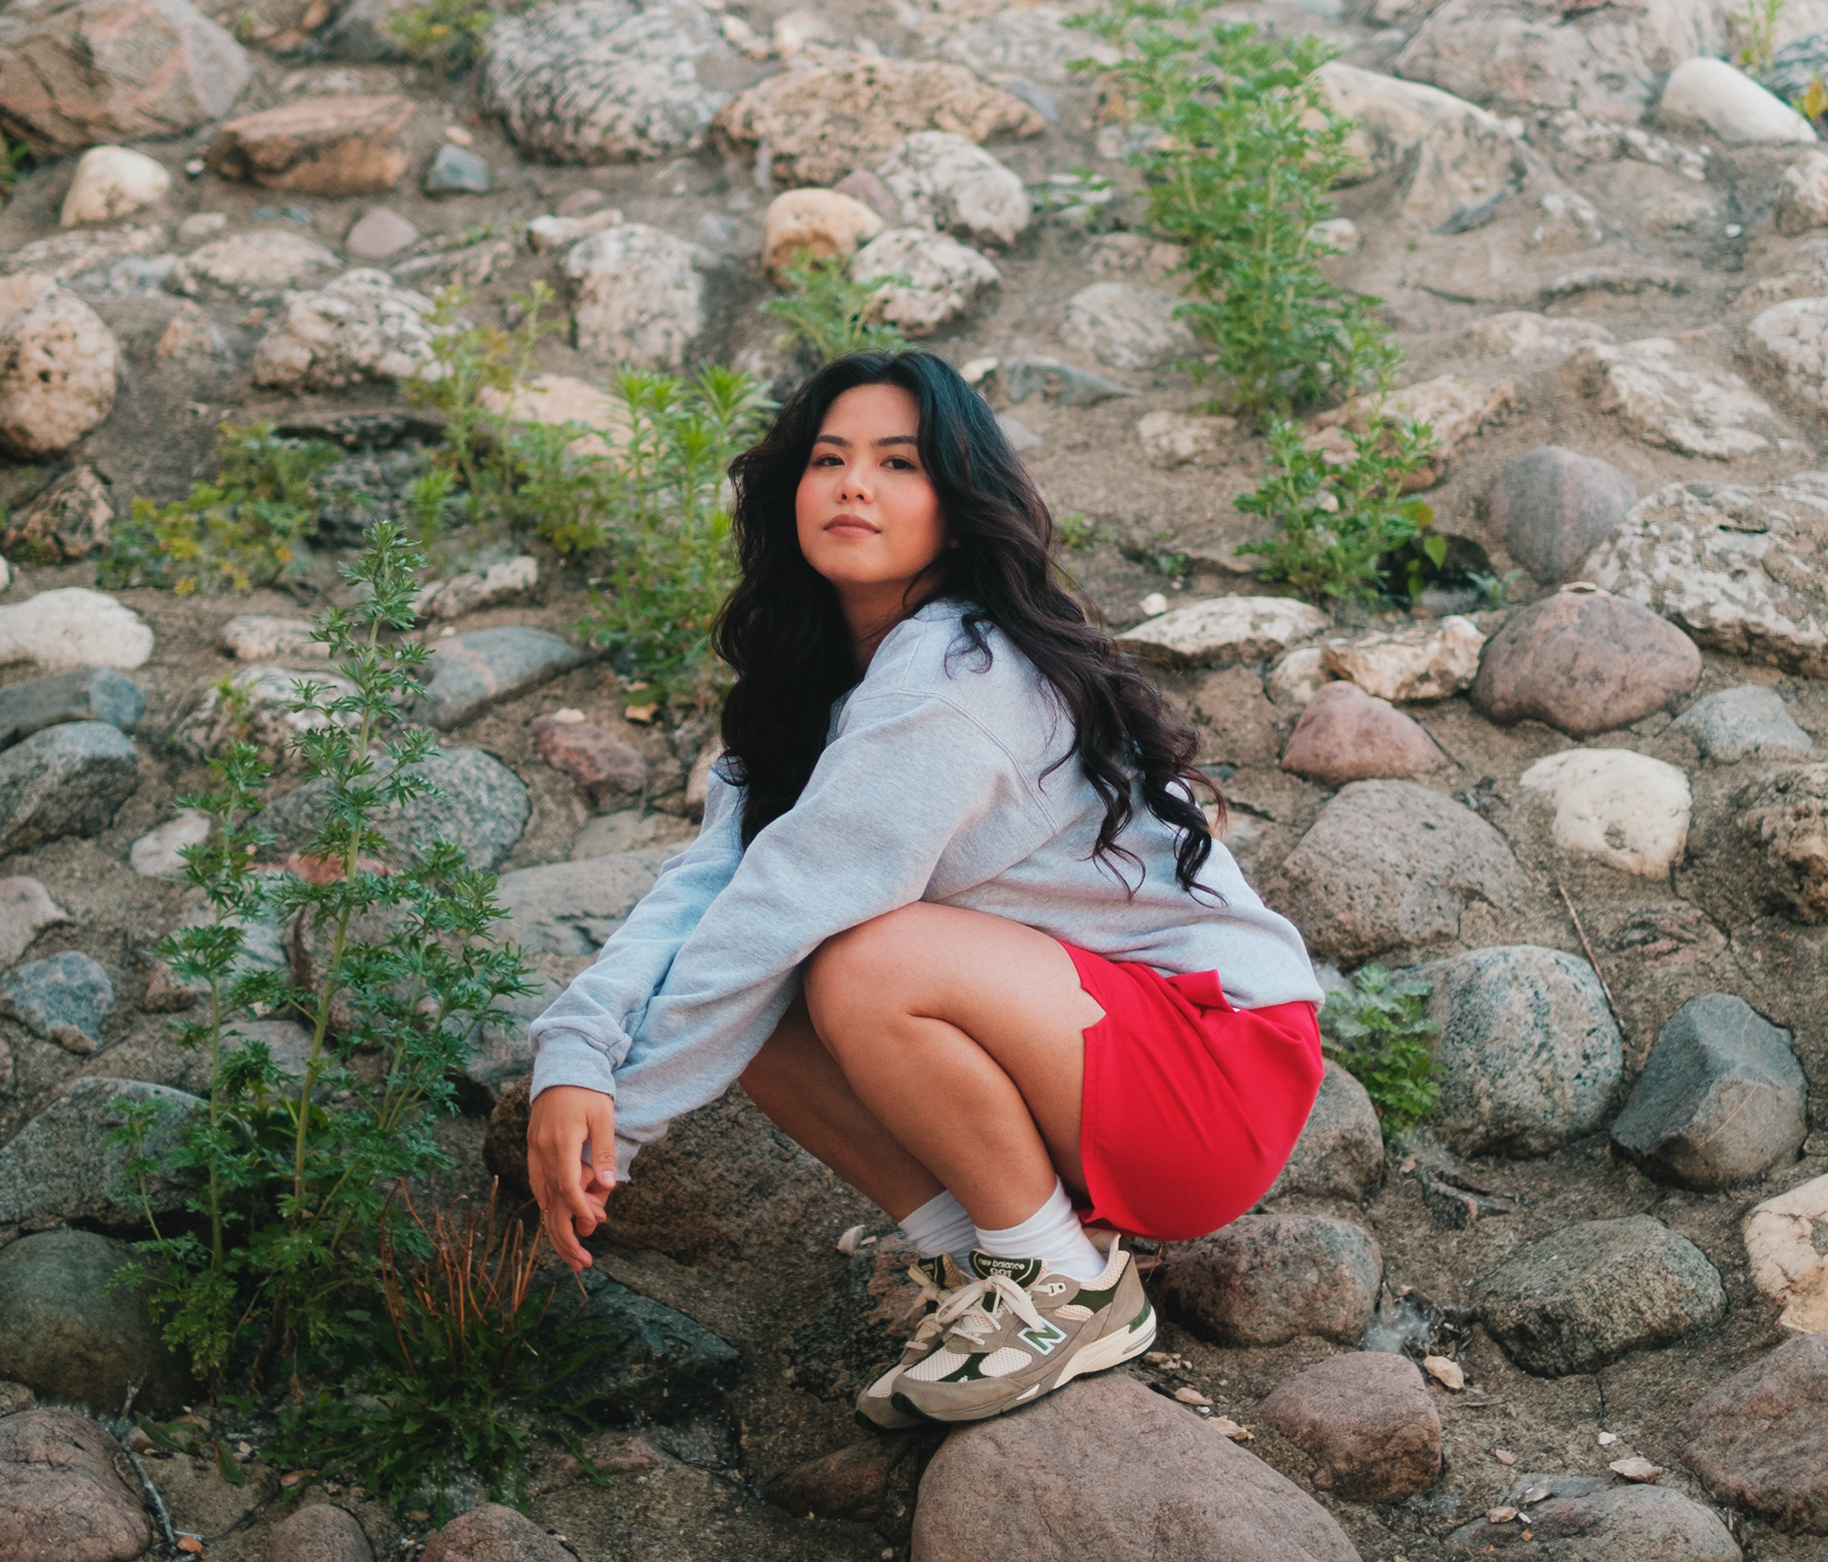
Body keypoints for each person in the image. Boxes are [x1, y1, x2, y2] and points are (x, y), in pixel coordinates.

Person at [526, 348, 1324, 1429]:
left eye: (898, 463)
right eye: (828, 459)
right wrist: (577, 1055)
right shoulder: (824, 680)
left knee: (858, 961)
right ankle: (980, 1258)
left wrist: (620, 1130)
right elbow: (709, 888)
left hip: (1216, 1072)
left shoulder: (958, 676)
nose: (853, 484)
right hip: (1086, 1048)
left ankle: (1062, 1282)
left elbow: (783, 904)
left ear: (958, 506)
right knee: (768, 999)